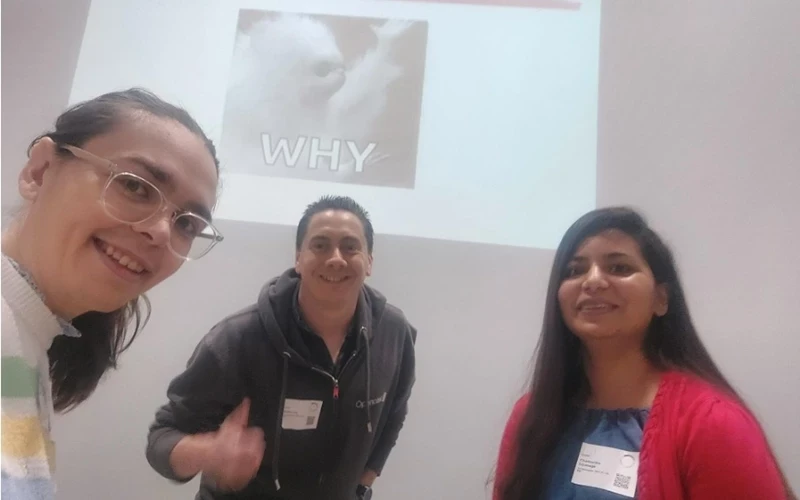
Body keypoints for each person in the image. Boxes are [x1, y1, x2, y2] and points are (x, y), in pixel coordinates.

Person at [1, 88, 223, 499]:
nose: (160, 231)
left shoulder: (29, 342)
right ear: (41, 170)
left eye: (187, 224)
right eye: (136, 186)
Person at [492, 207, 795, 500]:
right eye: (574, 270)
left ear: (661, 299)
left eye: (619, 267)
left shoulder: (712, 423)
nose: (593, 280)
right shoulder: (531, 415)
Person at [146, 195, 417, 500]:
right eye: (320, 245)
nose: (336, 258)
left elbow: (394, 412)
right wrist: (206, 453)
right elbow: (162, 437)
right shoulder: (239, 339)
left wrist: (364, 481)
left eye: (351, 246)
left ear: (369, 261)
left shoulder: (393, 332)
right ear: (299, 258)